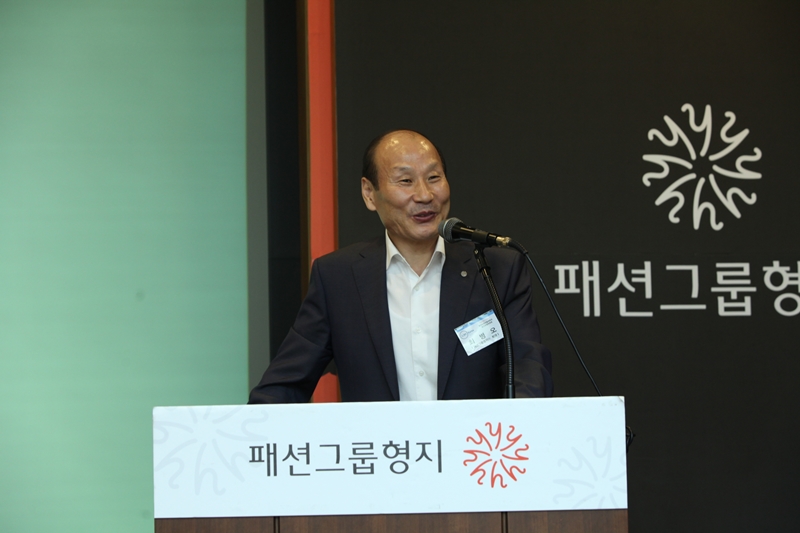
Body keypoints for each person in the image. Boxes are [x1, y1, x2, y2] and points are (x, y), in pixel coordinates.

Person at [249, 129, 553, 403]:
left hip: (473, 446)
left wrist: (522, 427)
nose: (424, 195)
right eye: (406, 181)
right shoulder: (338, 278)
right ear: (370, 193)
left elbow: (528, 368)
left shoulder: (495, 270)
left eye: (434, 178)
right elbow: (283, 386)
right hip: (383, 447)